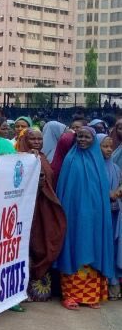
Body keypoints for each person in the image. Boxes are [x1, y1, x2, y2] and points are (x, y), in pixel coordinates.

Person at [55, 126, 115, 309]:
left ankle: (90, 297)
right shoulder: (70, 160)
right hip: (74, 216)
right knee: (74, 250)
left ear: (93, 140)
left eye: (86, 137)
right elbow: (65, 191)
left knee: (94, 249)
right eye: (79, 136)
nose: (82, 140)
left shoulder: (98, 162)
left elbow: (102, 193)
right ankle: (70, 295)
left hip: (96, 217)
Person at [18, 128, 67, 302]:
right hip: (27, 210)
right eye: (33, 139)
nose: (37, 142)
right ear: (25, 140)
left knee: (42, 242)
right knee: (27, 246)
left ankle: (36, 284)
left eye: (40, 139)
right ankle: (20, 288)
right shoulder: (19, 159)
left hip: (43, 208)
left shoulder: (43, 157)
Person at [97, 134, 122, 300]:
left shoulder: (115, 168)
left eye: (110, 146)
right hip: (99, 214)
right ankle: (100, 287)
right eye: (104, 146)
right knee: (102, 247)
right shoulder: (93, 168)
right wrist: (108, 194)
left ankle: (113, 284)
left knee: (113, 247)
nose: (108, 150)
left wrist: (118, 191)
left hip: (114, 213)